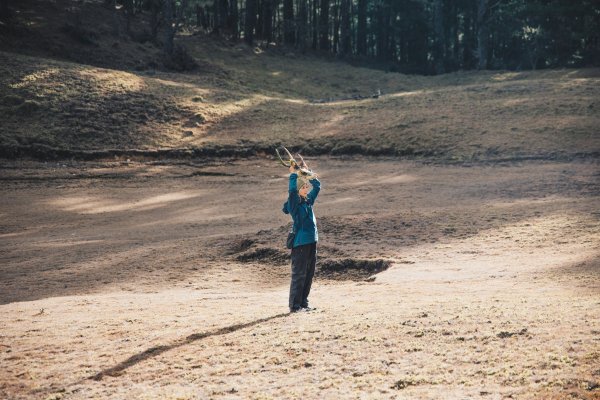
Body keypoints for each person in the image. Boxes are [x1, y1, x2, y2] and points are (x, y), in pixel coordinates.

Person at [282, 165, 321, 313]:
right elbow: (292, 191)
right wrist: (293, 175)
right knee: (299, 275)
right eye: (303, 187)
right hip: (300, 244)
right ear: (299, 190)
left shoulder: (308, 201)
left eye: (306, 186)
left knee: (309, 274)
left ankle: (304, 303)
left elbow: (317, 187)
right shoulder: (295, 204)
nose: (306, 188)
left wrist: (309, 173)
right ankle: (295, 306)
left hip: (312, 242)